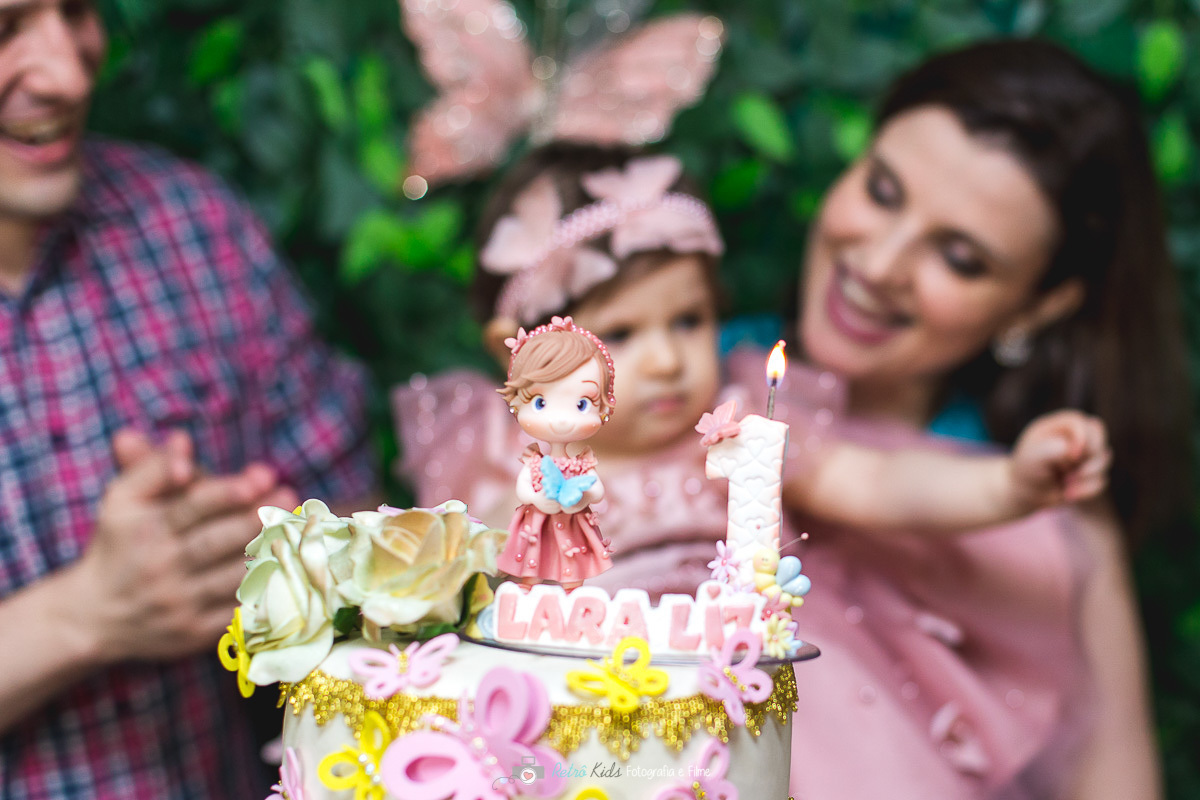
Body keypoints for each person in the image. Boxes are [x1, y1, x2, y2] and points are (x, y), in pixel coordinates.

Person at [396, 145, 1106, 598]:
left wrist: (1009, 482)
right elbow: (422, 581)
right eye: (619, 333)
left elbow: (878, 480)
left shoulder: (740, 428)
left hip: (733, 700)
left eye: (688, 320)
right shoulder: (484, 450)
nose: (670, 360)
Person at [783, 39, 1187, 799]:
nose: (879, 263)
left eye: (961, 258)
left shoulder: (1050, 528)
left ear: (1039, 305)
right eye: (883, 189)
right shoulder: (666, 391)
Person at [0, 1, 377, 797]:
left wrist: (282, 555)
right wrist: (87, 614)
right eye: (4, 30)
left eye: (76, 11)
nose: (68, 72)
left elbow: (362, 548)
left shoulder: (190, 222)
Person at [497, 318, 616, 590]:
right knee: (531, 555)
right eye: (541, 402)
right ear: (517, 400)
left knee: (572, 558)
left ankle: (573, 593)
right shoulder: (535, 460)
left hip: (572, 520)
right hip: (537, 521)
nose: (561, 420)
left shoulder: (582, 463)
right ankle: (527, 589)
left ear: (603, 407)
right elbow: (523, 489)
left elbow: (596, 491)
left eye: (581, 404)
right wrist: (539, 498)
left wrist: (577, 499)